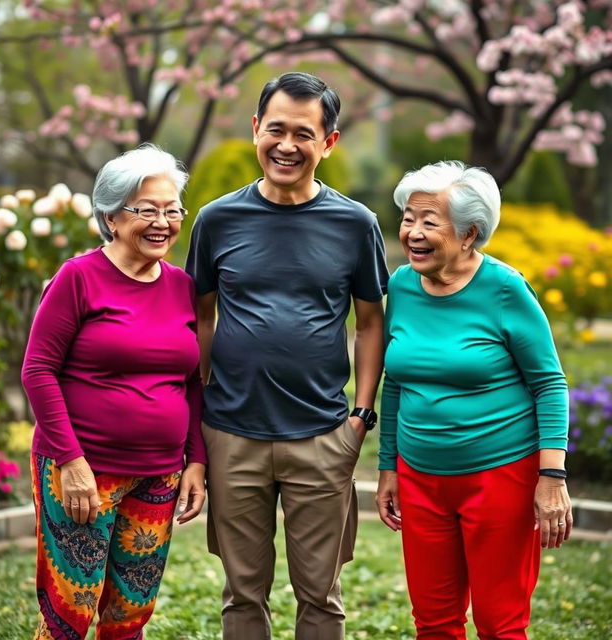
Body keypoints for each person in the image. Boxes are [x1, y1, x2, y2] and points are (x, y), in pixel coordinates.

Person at [186, 71, 389, 640]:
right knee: (241, 596)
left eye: (304, 133)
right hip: (231, 434)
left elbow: (371, 323)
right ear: (255, 130)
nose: (287, 145)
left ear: (329, 142)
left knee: (321, 597)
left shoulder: (356, 224)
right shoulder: (216, 219)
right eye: (275, 129)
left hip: (323, 435)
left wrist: (361, 416)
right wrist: (203, 412)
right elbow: (200, 316)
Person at [376, 160, 572, 639]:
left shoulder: (505, 290)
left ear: (469, 234)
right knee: (434, 623)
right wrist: (388, 467)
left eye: (429, 221)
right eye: (408, 218)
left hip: (500, 476)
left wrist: (551, 475)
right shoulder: (401, 285)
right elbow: (397, 380)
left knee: (500, 623)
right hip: (420, 478)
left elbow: (549, 383)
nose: (413, 232)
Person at [21, 144, 207, 640]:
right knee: (70, 615)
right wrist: (70, 461)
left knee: (130, 615)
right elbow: (38, 369)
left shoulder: (182, 286)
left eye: (172, 210)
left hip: (159, 473)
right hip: (82, 470)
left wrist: (195, 460)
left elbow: (190, 382)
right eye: (147, 210)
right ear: (111, 215)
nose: (163, 222)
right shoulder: (77, 278)